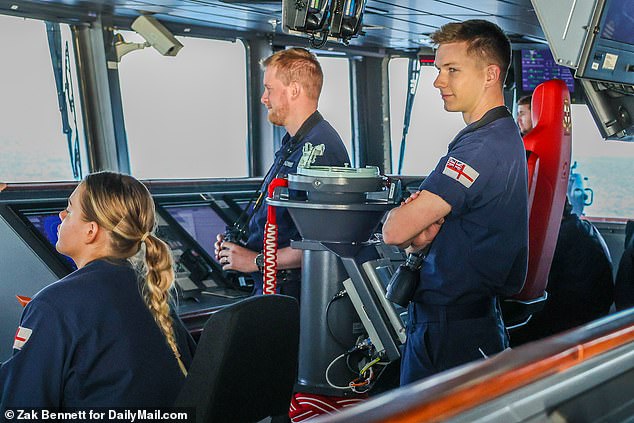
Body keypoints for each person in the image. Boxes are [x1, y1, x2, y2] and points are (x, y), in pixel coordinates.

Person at [382, 19, 529, 385]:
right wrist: (426, 237)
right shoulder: (497, 135)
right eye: (438, 69)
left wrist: (406, 220)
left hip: (453, 334)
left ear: (490, 74)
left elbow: (394, 230)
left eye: (452, 70)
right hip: (463, 325)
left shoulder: (480, 148)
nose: (438, 81)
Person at [0, 171, 195, 408]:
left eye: (70, 210)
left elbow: (19, 409)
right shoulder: (152, 291)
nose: (61, 215)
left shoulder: (52, 305)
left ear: (91, 231)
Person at [214, 48, 350, 301]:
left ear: (294, 90)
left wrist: (254, 260)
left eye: (270, 89)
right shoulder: (295, 144)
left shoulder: (321, 149)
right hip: (272, 286)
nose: (264, 98)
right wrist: (237, 250)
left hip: (294, 293)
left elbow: (326, 244)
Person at [511, 198, 614, 345]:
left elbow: (532, 287)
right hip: (591, 316)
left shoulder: (558, 238)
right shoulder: (582, 228)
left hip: (569, 324)